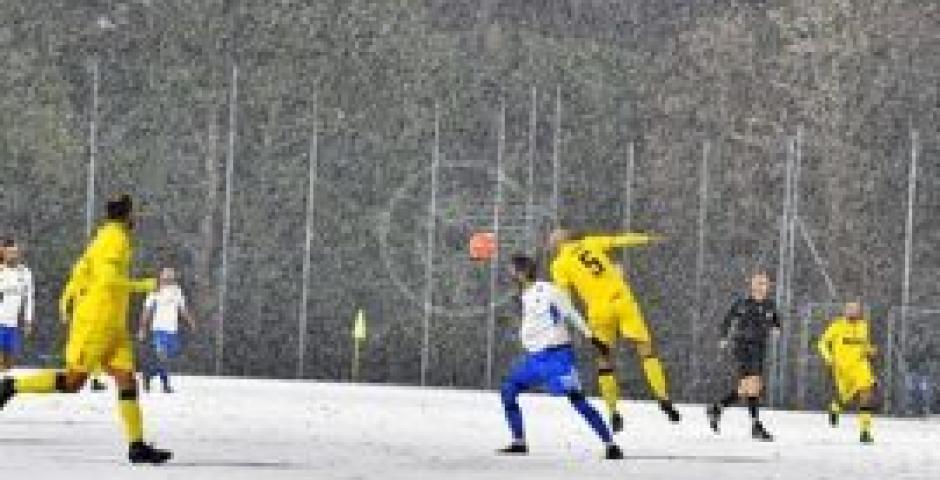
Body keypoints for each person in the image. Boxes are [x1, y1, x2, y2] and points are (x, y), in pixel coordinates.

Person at [0, 194, 172, 463]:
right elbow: (107, 280)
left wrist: (68, 295)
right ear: (127, 215)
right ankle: (11, 386)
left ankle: (136, 446)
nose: (136, 216)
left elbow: (82, 268)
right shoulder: (113, 239)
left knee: (127, 380)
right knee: (73, 383)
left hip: (113, 326)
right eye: (134, 212)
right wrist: (146, 285)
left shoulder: (106, 237)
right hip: (94, 325)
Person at [548, 228, 680, 433]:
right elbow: (620, 240)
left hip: (599, 310)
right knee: (646, 350)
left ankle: (613, 412)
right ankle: (663, 397)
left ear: (558, 244)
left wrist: (561, 317)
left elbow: (564, 298)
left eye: (552, 238)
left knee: (604, 360)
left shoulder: (559, 264)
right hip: (621, 300)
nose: (550, 240)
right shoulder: (591, 242)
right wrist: (647, 238)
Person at [498, 254, 623, 460]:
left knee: (577, 400)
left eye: (512, 270)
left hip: (558, 358)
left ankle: (611, 444)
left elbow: (571, 314)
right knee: (508, 390)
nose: (509, 274)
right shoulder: (524, 296)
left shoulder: (549, 291)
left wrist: (593, 339)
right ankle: (519, 442)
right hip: (535, 359)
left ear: (521, 273)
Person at [707, 272, 779, 441]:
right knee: (754, 384)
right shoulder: (743, 303)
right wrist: (724, 337)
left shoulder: (770, 305)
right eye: (759, 283)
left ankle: (717, 407)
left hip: (760, 348)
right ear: (752, 285)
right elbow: (727, 319)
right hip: (743, 347)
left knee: (745, 389)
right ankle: (756, 426)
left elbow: (776, 320)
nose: (762, 287)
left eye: (765, 284)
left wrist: (776, 328)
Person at [817, 301, 877, 443]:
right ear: (845, 311)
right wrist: (829, 358)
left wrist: (870, 350)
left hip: (861, 366)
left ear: (859, 311)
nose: (852, 312)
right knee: (846, 397)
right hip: (842, 368)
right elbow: (822, 342)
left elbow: (864, 344)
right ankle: (835, 407)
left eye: (855, 309)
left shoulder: (863, 326)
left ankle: (865, 431)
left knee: (866, 392)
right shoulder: (837, 325)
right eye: (849, 309)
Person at [139, 267, 196, 393]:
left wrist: (190, 321)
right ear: (161, 276)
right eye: (166, 275)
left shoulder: (177, 291)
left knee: (168, 357)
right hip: (159, 329)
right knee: (162, 356)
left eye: (171, 275)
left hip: (172, 330)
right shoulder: (155, 290)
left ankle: (149, 374)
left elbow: (182, 308)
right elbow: (147, 310)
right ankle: (165, 385)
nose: (169, 277)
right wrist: (142, 328)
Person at [0, 238, 34, 372]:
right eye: (8, 252)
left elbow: (29, 298)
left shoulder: (24, 273)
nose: (12, 255)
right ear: (3, 253)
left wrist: (28, 320)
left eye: (14, 252)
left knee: (8, 364)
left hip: (13, 324)